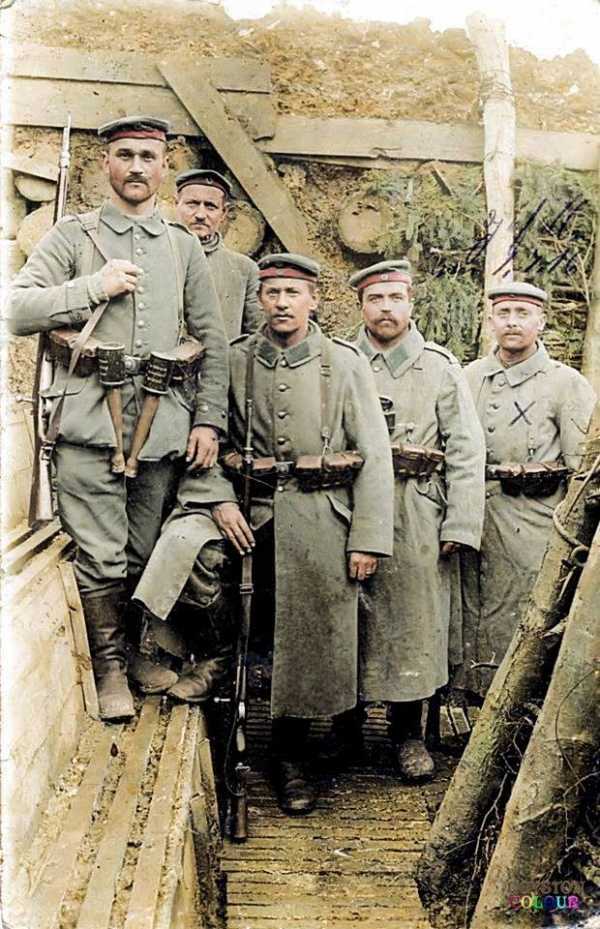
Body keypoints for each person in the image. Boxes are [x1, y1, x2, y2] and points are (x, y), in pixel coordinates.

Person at [133, 253, 394, 813]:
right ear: (259, 301)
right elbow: (207, 442)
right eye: (272, 293)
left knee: (308, 631)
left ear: (314, 301)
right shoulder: (235, 360)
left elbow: (375, 455)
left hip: (321, 511)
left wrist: (367, 539)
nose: (281, 303)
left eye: (293, 293)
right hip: (248, 507)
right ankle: (216, 663)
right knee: (190, 551)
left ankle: (292, 756)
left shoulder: (343, 364)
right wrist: (220, 499)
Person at [7, 116, 229, 722]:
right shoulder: (73, 235)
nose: (135, 167)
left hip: (160, 424)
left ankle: (133, 654)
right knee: (100, 554)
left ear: (164, 166)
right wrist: (92, 287)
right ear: (105, 164)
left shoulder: (182, 246)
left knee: (141, 550)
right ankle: (107, 670)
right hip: (87, 421)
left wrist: (207, 421)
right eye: (124, 155)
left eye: (147, 157)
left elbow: (211, 338)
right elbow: (16, 308)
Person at [336, 258, 486, 782]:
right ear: (361, 306)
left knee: (414, 622)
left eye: (395, 299)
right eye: (375, 299)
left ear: (410, 304)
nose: (386, 309)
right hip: (350, 504)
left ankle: (408, 733)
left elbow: (466, 448)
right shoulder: (341, 360)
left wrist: (460, 523)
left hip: (417, 508)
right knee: (349, 614)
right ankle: (345, 728)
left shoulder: (439, 366)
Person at [456, 281, 596, 698]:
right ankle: (465, 702)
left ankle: (512, 710)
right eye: (504, 313)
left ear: (542, 321)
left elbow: (582, 473)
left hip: (533, 524)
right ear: (490, 320)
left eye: (523, 314)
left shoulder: (565, 383)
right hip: (474, 518)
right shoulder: (468, 378)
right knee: (469, 609)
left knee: (521, 615)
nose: (512, 322)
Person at [175, 168, 261, 338]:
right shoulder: (154, 255)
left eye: (210, 206)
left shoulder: (244, 269)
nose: (200, 215)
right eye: (192, 204)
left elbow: (257, 336)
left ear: (223, 213)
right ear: (176, 204)